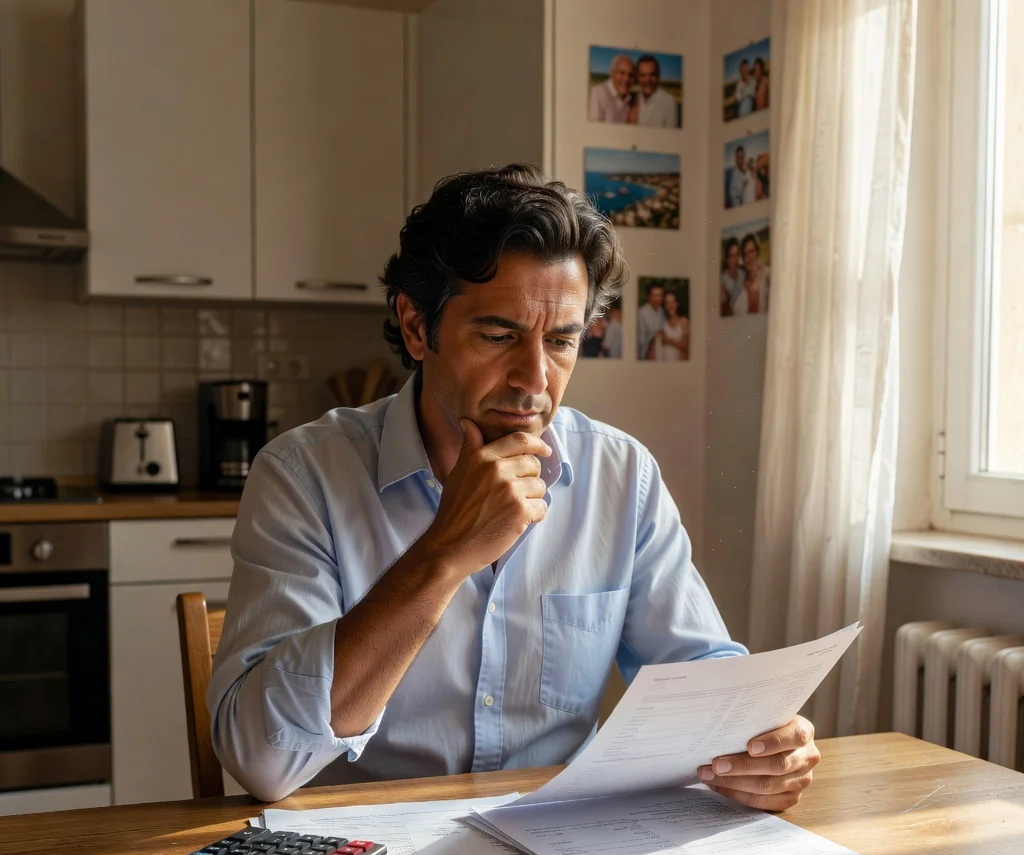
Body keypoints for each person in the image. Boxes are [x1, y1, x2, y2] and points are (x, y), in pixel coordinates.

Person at [209, 164, 818, 810]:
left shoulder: (622, 477)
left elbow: (704, 686)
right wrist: (443, 555)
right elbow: (264, 762)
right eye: (498, 335)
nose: (534, 378)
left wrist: (762, 742)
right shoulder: (303, 478)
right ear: (417, 328)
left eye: (561, 341)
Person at [629, 54, 679, 129]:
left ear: (658, 76)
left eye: (652, 75)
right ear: (638, 77)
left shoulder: (669, 102)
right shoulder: (634, 98)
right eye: (643, 75)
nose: (648, 80)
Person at [589, 53, 635, 123]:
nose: (626, 79)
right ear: (612, 73)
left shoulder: (631, 99)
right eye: (622, 73)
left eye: (631, 75)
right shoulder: (598, 93)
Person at [732, 232, 771, 315]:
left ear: (757, 252)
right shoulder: (740, 281)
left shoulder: (767, 274)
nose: (748, 257)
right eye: (745, 254)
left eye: (751, 252)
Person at [653, 290, 689, 361]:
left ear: (677, 303)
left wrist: (668, 341)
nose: (671, 306)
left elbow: (686, 346)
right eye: (667, 303)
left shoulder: (684, 322)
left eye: (673, 302)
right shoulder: (662, 324)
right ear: (665, 306)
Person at [636, 282, 666, 359]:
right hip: (645, 355)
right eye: (654, 296)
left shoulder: (662, 311)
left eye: (660, 295)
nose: (658, 299)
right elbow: (640, 341)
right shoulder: (641, 314)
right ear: (648, 297)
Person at [720, 236, 746, 316]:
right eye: (731, 256)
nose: (735, 259)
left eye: (737, 255)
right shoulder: (722, 280)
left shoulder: (743, 273)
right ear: (727, 259)